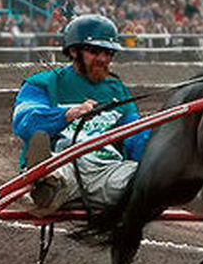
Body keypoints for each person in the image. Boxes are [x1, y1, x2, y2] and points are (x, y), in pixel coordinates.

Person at [11, 13, 150, 212]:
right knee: (56, 175)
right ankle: (44, 181)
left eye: (109, 53)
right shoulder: (43, 83)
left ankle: (46, 183)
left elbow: (134, 137)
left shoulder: (117, 90)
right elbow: (25, 123)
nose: (103, 59)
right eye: (95, 51)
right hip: (64, 162)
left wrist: (156, 148)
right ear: (74, 51)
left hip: (108, 169)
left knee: (148, 180)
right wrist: (68, 114)